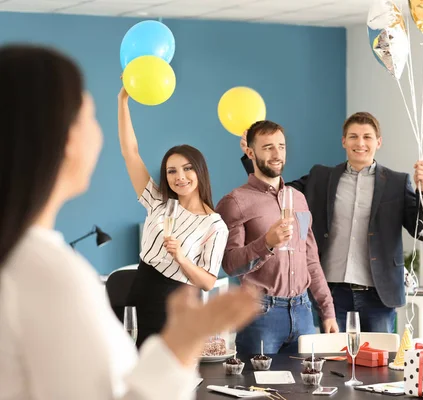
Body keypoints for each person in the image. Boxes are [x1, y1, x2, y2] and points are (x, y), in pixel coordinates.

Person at [0, 43, 259, 400]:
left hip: (172, 297)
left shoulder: (30, 262)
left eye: (186, 169)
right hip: (144, 288)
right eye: (89, 118)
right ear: (65, 140)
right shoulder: (55, 275)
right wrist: (182, 346)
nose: (179, 177)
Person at [240, 112, 423, 333]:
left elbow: (421, 230)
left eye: (367, 137)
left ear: (378, 142)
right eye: (353, 136)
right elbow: (275, 192)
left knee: (379, 365)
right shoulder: (321, 177)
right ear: (343, 141)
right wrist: (253, 158)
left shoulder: (397, 182)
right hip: (333, 295)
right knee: (334, 363)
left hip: (379, 296)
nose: (360, 143)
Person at [118, 87, 229, 347]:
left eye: (187, 169)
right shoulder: (158, 202)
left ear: (200, 171)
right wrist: (123, 101)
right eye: (171, 171)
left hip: (177, 306)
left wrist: (181, 257)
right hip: (139, 295)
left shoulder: (214, 224)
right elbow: (130, 152)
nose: (180, 177)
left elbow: (208, 282)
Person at [216, 120, 338, 354]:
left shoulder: (299, 200)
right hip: (260, 315)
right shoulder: (235, 202)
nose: (277, 154)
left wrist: (328, 311)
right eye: (268, 147)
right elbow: (230, 265)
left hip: (304, 314)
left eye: (281, 146)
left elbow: (310, 259)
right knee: (258, 388)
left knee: (307, 387)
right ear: (250, 152)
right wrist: (267, 243)